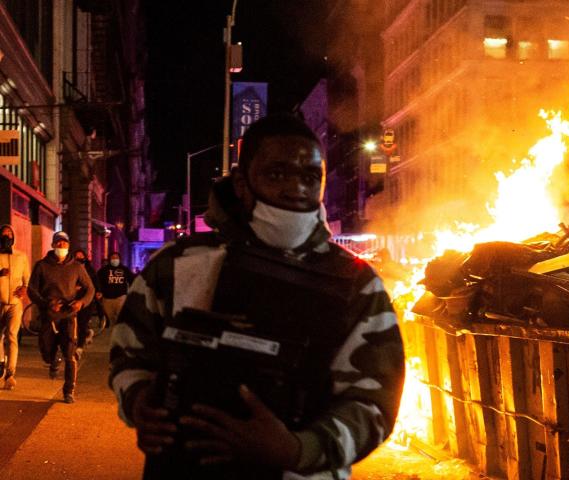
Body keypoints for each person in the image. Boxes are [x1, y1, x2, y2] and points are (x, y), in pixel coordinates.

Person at [109, 115, 404, 479]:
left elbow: (375, 400)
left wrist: (297, 449)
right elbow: (128, 353)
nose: (295, 188)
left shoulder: (356, 283)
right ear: (242, 183)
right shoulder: (176, 266)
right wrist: (139, 402)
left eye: (310, 178)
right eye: (277, 174)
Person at [28, 231, 95, 403]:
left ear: (69, 246)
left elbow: (90, 289)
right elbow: (32, 290)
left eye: (64, 243)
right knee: (46, 349)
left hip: (69, 314)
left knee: (70, 353)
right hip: (49, 315)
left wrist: (81, 303)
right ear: (53, 245)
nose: (61, 246)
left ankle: (68, 391)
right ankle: (52, 360)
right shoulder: (41, 266)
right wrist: (46, 303)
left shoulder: (76, 267)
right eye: (58, 243)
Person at [0, 225, 29, 390]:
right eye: (4, 233)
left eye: (10, 233)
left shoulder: (21, 256)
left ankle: (11, 373)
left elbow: (27, 278)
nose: (7, 235)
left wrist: (25, 288)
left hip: (15, 304)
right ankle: (0, 364)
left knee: (12, 336)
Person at [72, 249, 101, 348]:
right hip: (73, 298)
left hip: (86, 299)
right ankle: (85, 334)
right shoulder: (71, 268)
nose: (79, 258)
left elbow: (95, 282)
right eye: (77, 256)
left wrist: (97, 291)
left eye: (81, 256)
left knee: (82, 322)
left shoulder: (89, 269)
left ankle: (80, 345)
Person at [97, 252, 133, 327]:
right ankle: (113, 332)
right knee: (111, 318)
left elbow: (132, 280)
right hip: (107, 298)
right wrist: (98, 291)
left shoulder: (125, 269)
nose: (115, 259)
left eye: (117, 258)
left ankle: (120, 333)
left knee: (120, 317)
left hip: (121, 297)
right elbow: (97, 282)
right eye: (113, 258)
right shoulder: (103, 270)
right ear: (109, 259)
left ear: (120, 259)